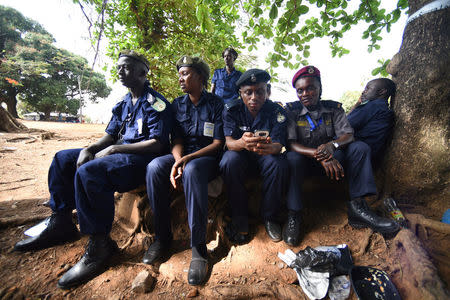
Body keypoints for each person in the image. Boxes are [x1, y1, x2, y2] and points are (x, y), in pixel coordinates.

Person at [13, 50, 173, 289]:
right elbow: (110, 135)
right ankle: (62, 221)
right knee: (63, 159)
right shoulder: (123, 103)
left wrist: (117, 150)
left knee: (90, 172)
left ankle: (100, 245)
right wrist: (91, 148)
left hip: (139, 161)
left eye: (126, 67)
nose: (120, 71)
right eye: (119, 67)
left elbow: (158, 143)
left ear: (142, 72)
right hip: (117, 155)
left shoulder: (156, 103)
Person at [284, 66, 399, 246]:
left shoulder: (334, 108)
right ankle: (294, 214)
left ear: (320, 88)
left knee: (359, 147)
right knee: (291, 158)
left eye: (311, 88)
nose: (305, 93)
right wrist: (319, 155)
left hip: (334, 162)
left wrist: (332, 145)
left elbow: (348, 135)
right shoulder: (292, 111)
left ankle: (358, 208)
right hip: (307, 162)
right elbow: (291, 144)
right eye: (300, 90)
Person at [143, 56, 224, 286]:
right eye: (179, 74)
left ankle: (198, 248)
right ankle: (162, 238)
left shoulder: (216, 104)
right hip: (183, 153)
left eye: (186, 73)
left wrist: (188, 160)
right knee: (155, 167)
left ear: (200, 77)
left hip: (206, 157)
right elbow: (176, 139)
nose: (181, 77)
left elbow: (217, 143)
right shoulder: (177, 105)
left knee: (193, 170)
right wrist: (178, 160)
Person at [219, 69, 288, 245]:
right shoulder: (231, 110)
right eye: (248, 92)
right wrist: (242, 143)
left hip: (265, 155)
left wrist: (269, 147)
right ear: (240, 93)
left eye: (259, 91)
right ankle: (239, 217)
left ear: (268, 91)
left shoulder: (277, 111)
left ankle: (270, 217)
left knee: (277, 164)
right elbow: (229, 143)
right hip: (242, 156)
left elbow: (279, 145)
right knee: (228, 160)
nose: (254, 97)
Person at [347, 78, 395, 165]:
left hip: (357, 153)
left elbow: (344, 125)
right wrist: (358, 103)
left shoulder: (373, 106)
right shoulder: (383, 108)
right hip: (373, 155)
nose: (363, 92)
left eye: (368, 88)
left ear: (382, 92)